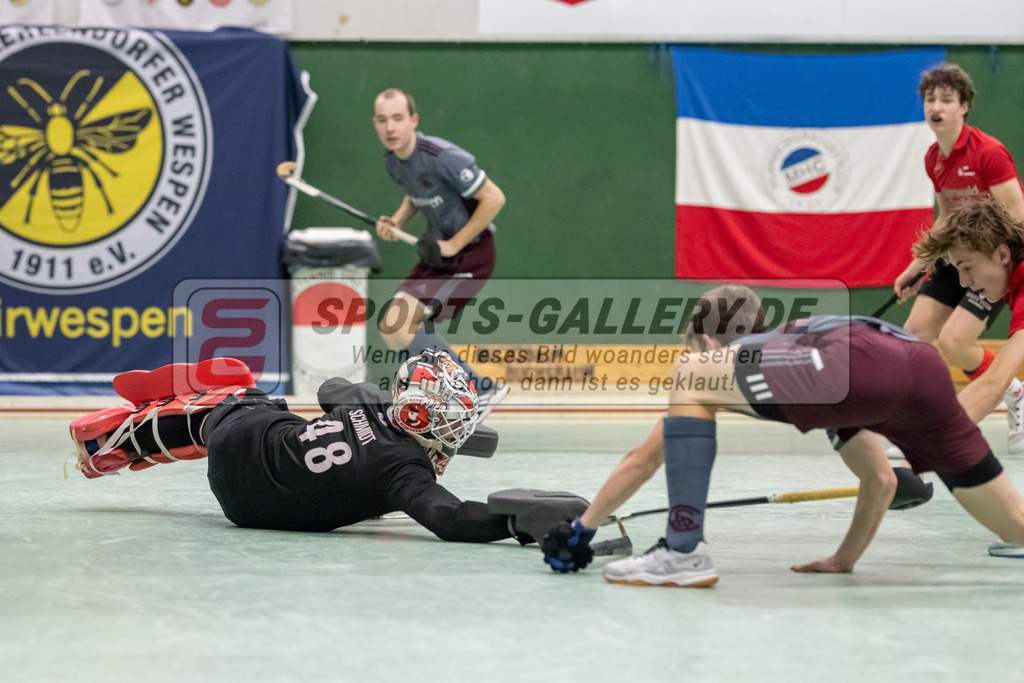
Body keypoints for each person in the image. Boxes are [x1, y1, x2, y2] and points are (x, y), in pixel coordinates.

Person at [542, 284, 1024, 586]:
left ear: (710, 341)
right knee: (1014, 527)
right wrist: (844, 560)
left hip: (859, 363)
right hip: (920, 367)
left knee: (688, 373)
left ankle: (683, 551)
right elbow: (881, 480)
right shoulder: (804, 373)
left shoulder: (759, 358)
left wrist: (582, 529)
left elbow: (643, 459)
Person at [68, 352, 584, 544]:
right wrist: (514, 524)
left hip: (241, 445)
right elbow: (450, 519)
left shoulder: (364, 409)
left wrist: (371, 402)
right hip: (248, 513)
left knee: (241, 398)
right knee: (243, 401)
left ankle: (119, 437)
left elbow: (331, 389)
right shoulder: (405, 474)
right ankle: (172, 423)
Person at [892, 63, 1024, 453]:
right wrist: (914, 269)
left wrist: (1001, 266)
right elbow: (946, 218)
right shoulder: (933, 158)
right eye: (930, 99)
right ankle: (1012, 393)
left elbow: (1017, 214)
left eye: (946, 99)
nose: (937, 106)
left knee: (952, 341)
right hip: (958, 255)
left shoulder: (989, 153)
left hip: (993, 258)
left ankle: (1008, 395)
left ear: (964, 106)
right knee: (916, 333)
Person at [372, 87, 508, 420]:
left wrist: (456, 244)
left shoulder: (442, 156)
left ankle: (479, 390)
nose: (390, 128)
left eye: (398, 118)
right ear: (375, 124)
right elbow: (415, 193)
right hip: (437, 254)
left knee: (401, 325)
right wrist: (397, 221)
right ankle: (427, 398)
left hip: (470, 254)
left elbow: (494, 198)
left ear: (414, 120)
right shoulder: (394, 161)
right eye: (382, 120)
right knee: (391, 328)